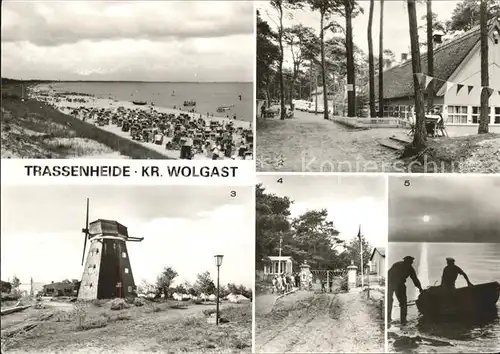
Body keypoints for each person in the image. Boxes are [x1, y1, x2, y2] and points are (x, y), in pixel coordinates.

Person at [388, 256, 423, 325]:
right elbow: (415, 279)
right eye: (410, 262)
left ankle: (389, 318)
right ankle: (403, 321)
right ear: (408, 261)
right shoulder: (409, 268)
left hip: (391, 283)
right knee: (403, 303)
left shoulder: (397, 264)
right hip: (397, 284)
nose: (411, 263)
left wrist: (419, 287)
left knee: (390, 300)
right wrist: (420, 288)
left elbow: (389, 273)